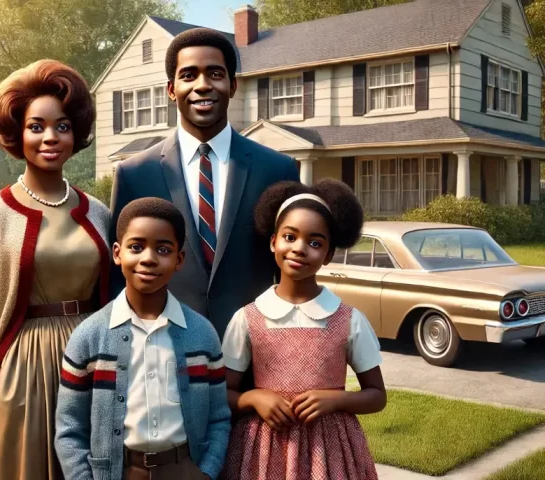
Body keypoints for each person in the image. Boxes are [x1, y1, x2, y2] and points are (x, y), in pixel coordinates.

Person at [0, 59, 110, 480]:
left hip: (94, 368)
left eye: (63, 126)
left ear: (76, 133)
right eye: (37, 126)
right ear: (17, 134)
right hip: (23, 374)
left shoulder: (100, 213)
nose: (51, 137)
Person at [110, 27, 300, 338]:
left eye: (215, 73)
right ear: (171, 90)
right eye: (188, 75)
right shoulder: (134, 174)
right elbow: (118, 276)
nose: (202, 85)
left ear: (232, 85)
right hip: (161, 349)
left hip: (258, 351)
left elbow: (293, 271)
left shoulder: (278, 170)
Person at [55, 197, 231, 480]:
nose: (148, 258)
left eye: (163, 249)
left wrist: (206, 472)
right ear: (117, 253)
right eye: (136, 247)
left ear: (179, 259)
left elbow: (219, 417)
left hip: (184, 470)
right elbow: (69, 427)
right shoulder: (89, 337)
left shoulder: (203, 335)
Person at [221, 179, 387, 480]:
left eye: (314, 242)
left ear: (328, 255)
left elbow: (377, 396)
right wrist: (254, 398)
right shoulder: (248, 318)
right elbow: (222, 393)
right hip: (265, 449)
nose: (299, 249)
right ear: (274, 242)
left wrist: (337, 399)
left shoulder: (348, 319)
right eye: (290, 237)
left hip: (330, 451)